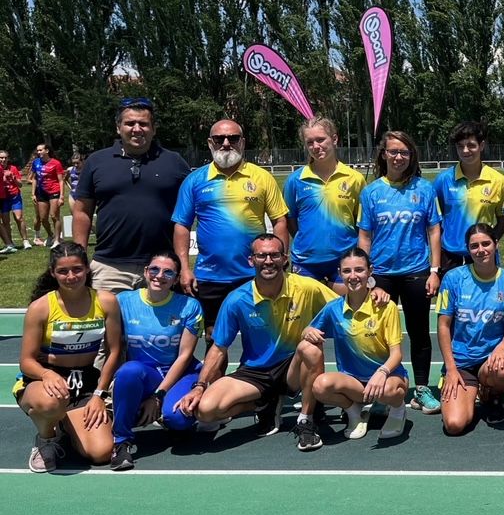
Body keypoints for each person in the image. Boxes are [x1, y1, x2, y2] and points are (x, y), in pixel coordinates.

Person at [174, 233, 336, 440]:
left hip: (291, 368)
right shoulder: (236, 300)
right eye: (261, 256)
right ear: (251, 260)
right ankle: (266, 403)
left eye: (274, 255)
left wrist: (373, 292)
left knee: (310, 348)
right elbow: (218, 348)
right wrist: (199, 387)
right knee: (206, 410)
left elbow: (343, 308)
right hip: (255, 371)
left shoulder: (307, 287)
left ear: (284, 259)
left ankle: (306, 419)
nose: (268, 261)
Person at [172, 119, 289, 336]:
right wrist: (185, 268)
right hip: (210, 276)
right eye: (219, 139)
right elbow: (182, 226)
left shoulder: (262, 177)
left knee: (260, 333)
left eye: (233, 138)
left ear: (242, 142)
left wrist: (282, 259)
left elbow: (279, 221)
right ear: (210, 143)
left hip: (254, 273)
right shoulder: (195, 180)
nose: (226, 143)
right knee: (213, 335)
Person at [14, 243, 123, 473]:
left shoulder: (106, 302)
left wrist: (98, 395)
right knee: (51, 402)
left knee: (101, 453)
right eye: (63, 271)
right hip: (44, 381)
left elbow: (114, 351)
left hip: (87, 383)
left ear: (87, 270)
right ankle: (46, 439)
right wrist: (47, 374)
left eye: (77, 269)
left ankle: (65, 425)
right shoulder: (41, 308)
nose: (71, 276)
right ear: (53, 273)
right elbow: (26, 360)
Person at [357, 130, 443, 413]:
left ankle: (420, 389)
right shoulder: (371, 192)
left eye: (404, 152)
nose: (398, 157)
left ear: (411, 156)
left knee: (419, 332)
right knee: (377, 332)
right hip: (381, 273)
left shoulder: (424, 189)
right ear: (384, 154)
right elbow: (365, 237)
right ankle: (382, 387)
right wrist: (365, 274)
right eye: (393, 151)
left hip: (417, 271)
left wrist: (434, 270)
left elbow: (433, 230)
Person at [74, 98, 190, 292]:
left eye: (144, 124)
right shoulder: (96, 161)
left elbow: (192, 210)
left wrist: (183, 264)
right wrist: (79, 256)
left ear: (154, 129)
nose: (137, 129)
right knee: (108, 322)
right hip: (109, 267)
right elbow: (82, 212)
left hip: (161, 267)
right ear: (118, 127)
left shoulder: (174, 162)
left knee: (163, 322)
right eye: (129, 123)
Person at [296, 247, 409, 448]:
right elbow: (308, 329)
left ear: (370, 271)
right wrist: (307, 332)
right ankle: (353, 411)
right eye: (347, 271)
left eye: (359, 270)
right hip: (354, 383)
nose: (353, 276)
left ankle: (398, 410)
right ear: (339, 274)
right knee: (320, 386)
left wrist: (381, 372)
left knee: (387, 391)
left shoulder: (385, 306)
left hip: (388, 380)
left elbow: (396, 354)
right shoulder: (334, 308)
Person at [109, 250, 205, 470]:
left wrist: (158, 396)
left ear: (176, 278)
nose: (159, 276)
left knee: (177, 419)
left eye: (168, 272)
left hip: (180, 372)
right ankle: (121, 442)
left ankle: (176, 421)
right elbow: (112, 348)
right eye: (154, 269)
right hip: (143, 374)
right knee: (128, 371)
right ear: (145, 272)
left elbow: (184, 356)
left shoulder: (190, 306)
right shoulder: (122, 301)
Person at [438, 223, 504, 434]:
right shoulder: (453, 279)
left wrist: (501, 348)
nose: (481, 250)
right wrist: (450, 369)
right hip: (461, 362)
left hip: (492, 359)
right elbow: (443, 326)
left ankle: (492, 395)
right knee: (455, 425)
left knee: (503, 368)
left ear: (496, 245)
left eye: (486, 244)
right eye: (474, 246)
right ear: (468, 249)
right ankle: (470, 391)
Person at [283, 116, 365, 287]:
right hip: (305, 262)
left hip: (344, 260)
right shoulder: (295, 180)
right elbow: (290, 220)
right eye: (310, 142)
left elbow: (361, 222)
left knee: (343, 312)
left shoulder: (355, 179)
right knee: (305, 314)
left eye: (321, 140)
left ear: (334, 139)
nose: (316, 146)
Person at [431, 120, 504, 274]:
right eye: (460, 146)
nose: (465, 151)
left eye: (471, 145)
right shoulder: (443, 180)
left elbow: (503, 220)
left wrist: (489, 243)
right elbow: (435, 221)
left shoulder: (498, 181)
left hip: (484, 255)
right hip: (450, 256)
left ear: (481, 145)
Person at [30, 143, 66, 247]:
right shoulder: (36, 162)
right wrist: (33, 194)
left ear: (47, 151)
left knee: (54, 215)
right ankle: (51, 235)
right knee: (43, 218)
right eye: (38, 150)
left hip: (54, 191)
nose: (39, 152)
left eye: (41, 150)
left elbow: (61, 180)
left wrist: (61, 196)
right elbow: (35, 178)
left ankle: (57, 240)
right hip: (41, 193)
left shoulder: (56, 163)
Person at [0, 148, 31, 252]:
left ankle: (25, 241)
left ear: (8, 158)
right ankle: (10, 244)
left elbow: (20, 184)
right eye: (1, 158)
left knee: (19, 218)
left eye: (5, 158)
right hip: (3, 198)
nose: (3, 160)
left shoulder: (13, 168)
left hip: (14, 196)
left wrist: (13, 177)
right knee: (5, 221)